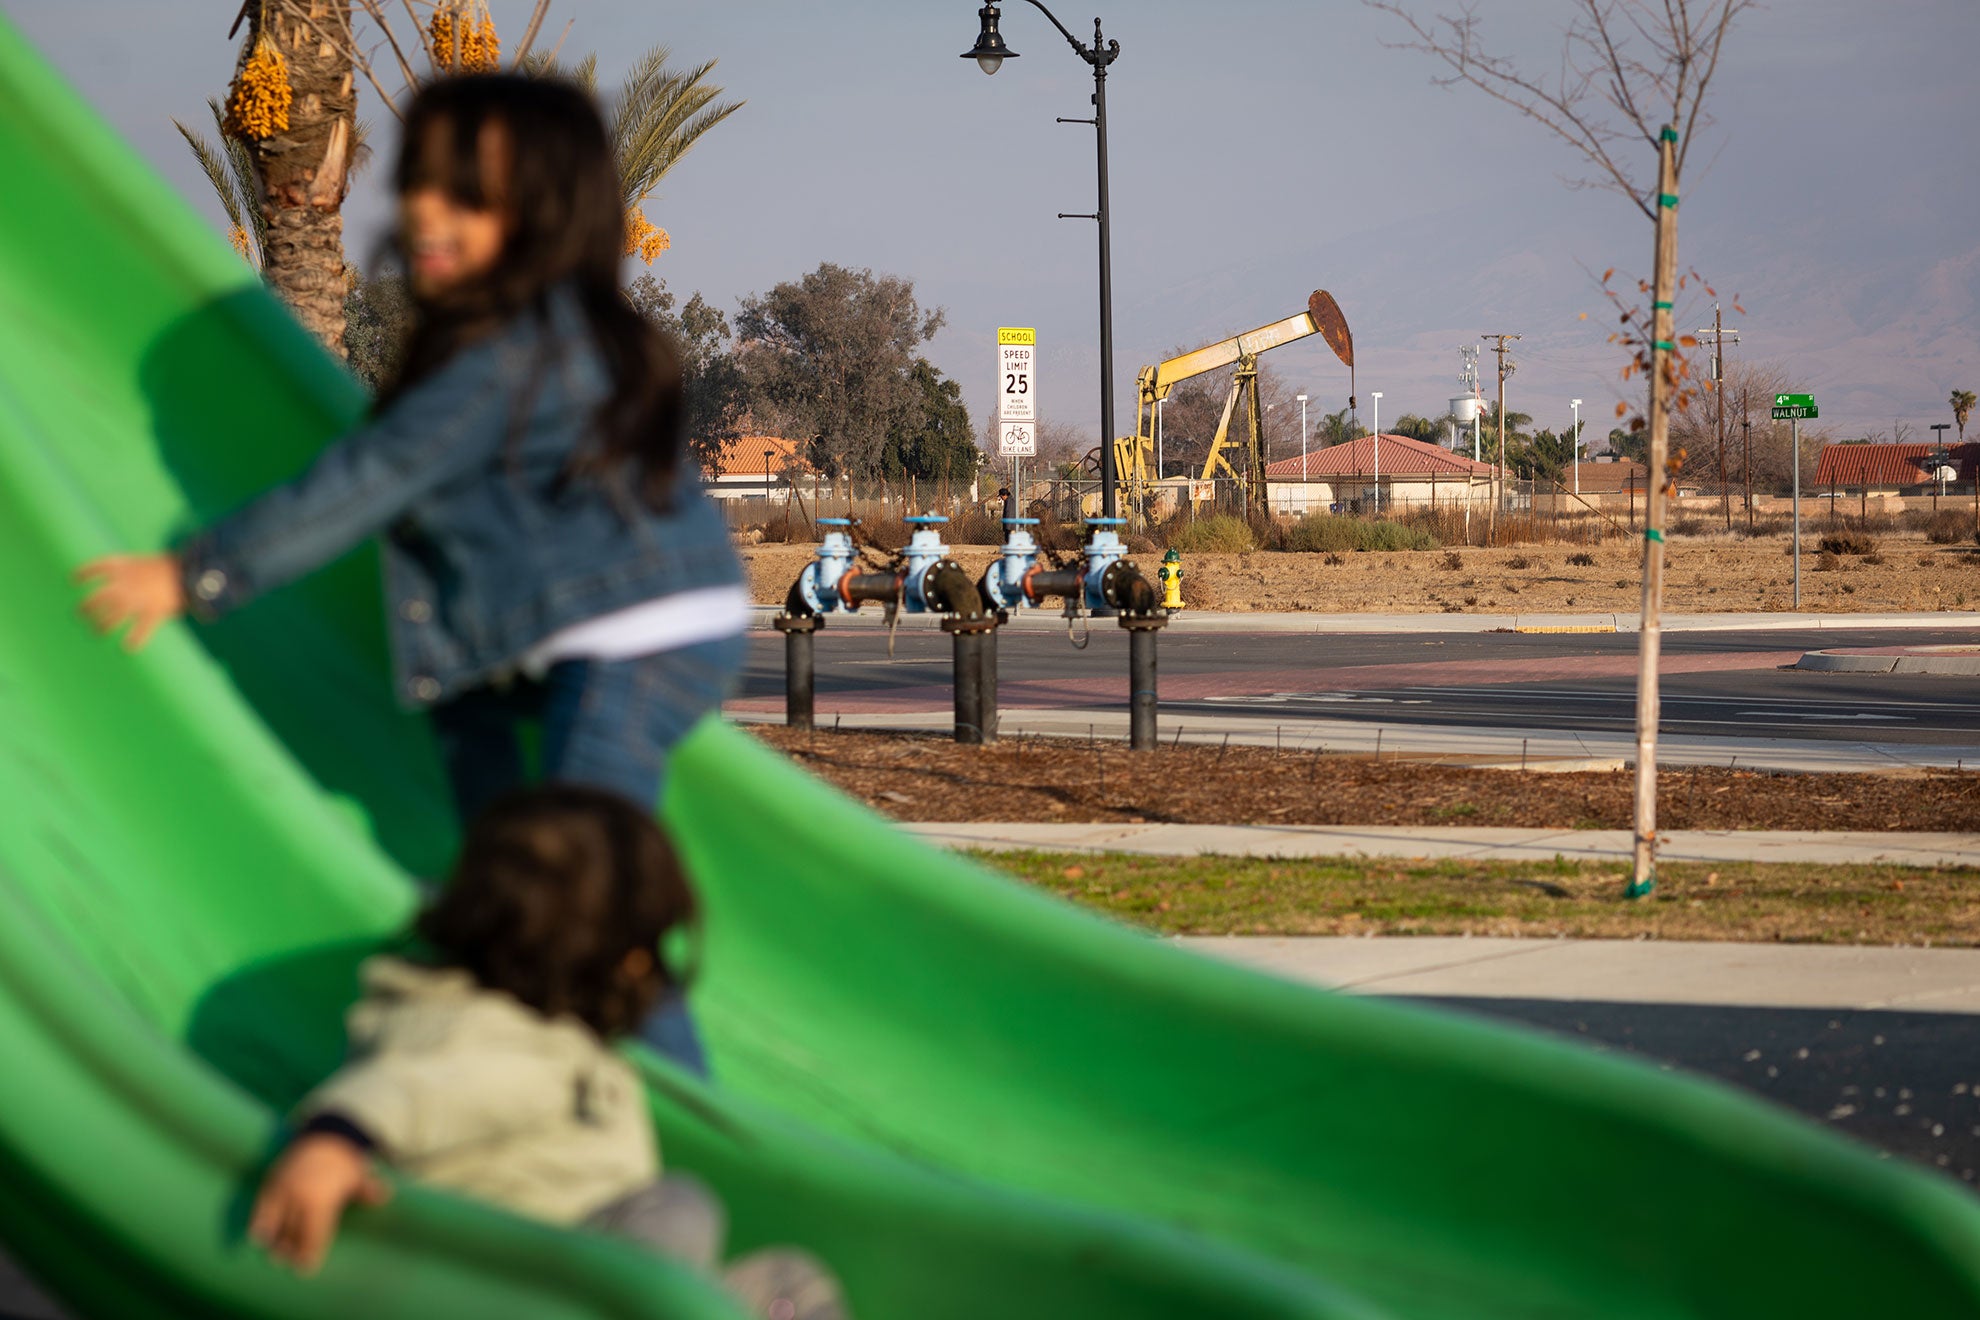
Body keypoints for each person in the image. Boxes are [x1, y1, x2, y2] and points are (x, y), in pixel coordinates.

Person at [74, 74, 745, 1071]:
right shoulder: (512, 341)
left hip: (630, 638)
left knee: (581, 891)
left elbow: (365, 482)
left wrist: (196, 576)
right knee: (496, 832)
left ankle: (685, 1107)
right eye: (422, 182)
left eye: (468, 195)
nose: (427, 209)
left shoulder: (508, 356)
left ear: (547, 217)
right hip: (562, 638)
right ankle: (492, 956)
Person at [249, 785, 843, 1319]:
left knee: (789, 1286)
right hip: (547, 1284)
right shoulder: (488, 1033)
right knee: (680, 1207)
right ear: (619, 958)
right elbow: (409, 1088)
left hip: (592, 1276)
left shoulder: (490, 1021)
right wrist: (331, 1142)